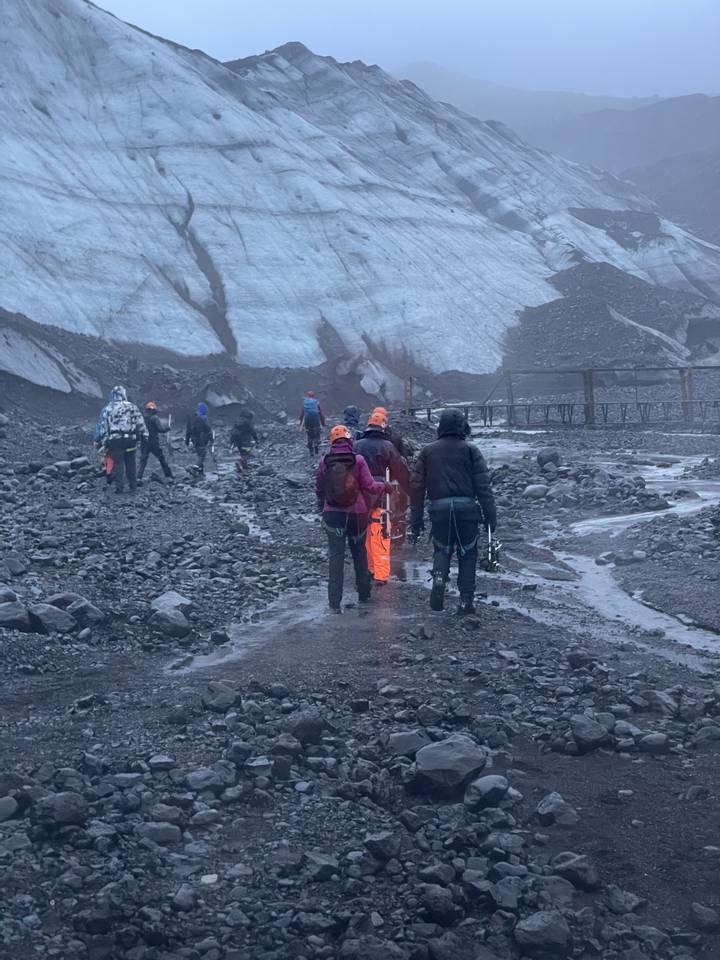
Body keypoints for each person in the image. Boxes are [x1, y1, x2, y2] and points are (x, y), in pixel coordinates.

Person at [410, 408, 496, 615]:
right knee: (467, 554)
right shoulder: (471, 451)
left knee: (442, 549)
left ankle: (439, 578)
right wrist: (491, 517)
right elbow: (483, 487)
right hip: (467, 510)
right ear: (462, 427)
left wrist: (416, 519)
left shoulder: (427, 451)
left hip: (439, 510)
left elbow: (416, 488)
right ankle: (466, 601)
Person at [315, 425, 393, 613]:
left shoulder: (324, 462)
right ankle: (364, 594)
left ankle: (334, 602)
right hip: (356, 515)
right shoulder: (358, 460)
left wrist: (321, 508)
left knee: (336, 558)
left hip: (333, 515)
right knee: (359, 553)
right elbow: (370, 486)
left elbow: (319, 488)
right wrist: (385, 486)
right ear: (350, 440)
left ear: (332, 441)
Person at [355, 411, 409, 584]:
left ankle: (370, 569)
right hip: (380, 495)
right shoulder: (387, 446)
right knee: (380, 532)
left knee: (365, 534)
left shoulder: (357, 445)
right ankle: (381, 574)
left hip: (359, 496)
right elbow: (400, 470)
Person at [97, 385, 147, 494]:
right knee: (131, 462)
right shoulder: (132, 406)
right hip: (130, 440)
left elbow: (104, 426)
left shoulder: (108, 408)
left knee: (118, 463)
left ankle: (119, 488)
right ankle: (133, 486)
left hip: (115, 441)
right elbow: (140, 422)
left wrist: (103, 441)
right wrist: (144, 435)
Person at [138, 402, 173, 481]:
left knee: (143, 460)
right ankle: (168, 475)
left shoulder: (142, 418)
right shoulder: (154, 418)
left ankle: (138, 477)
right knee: (161, 458)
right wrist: (167, 428)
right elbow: (160, 429)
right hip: (153, 442)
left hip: (144, 441)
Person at [185, 402, 214, 474]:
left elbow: (188, 429)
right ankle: (194, 467)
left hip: (193, 439)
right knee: (202, 454)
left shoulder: (192, 417)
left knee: (199, 454)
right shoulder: (204, 417)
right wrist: (211, 439)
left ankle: (200, 472)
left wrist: (187, 440)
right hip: (202, 439)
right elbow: (208, 428)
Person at [300, 391, 325, 455]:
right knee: (317, 433)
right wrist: (323, 423)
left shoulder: (304, 402)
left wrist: (301, 423)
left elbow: (302, 414)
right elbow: (321, 414)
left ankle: (311, 450)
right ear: (314, 396)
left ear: (307, 396)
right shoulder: (316, 402)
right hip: (315, 419)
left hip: (307, 419)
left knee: (309, 434)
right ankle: (316, 446)